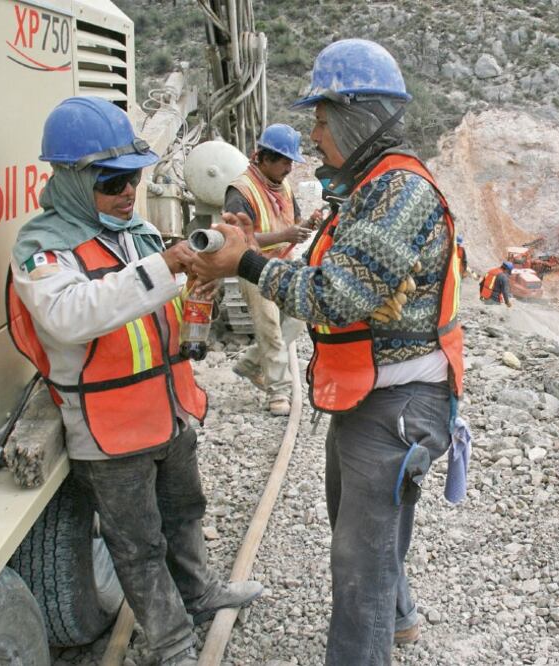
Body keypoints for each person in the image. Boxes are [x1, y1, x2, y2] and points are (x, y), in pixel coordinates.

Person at [188, 39, 464, 666]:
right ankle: (400, 619)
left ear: (358, 117)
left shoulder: (400, 194)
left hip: (396, 402)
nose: (313, 136)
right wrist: (258, 250)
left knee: (359, 561)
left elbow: (335, 295)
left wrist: (247, 262)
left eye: (320, 120)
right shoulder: (369, 189)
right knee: (366, 529)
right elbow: (328, 272)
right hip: (374, 393)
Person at [6, 96, 263, 666]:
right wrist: (165, 266)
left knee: (185, 513)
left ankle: (198, 595)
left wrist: (201, 284)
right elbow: (69, 316)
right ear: (72, 179)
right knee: (138, 544)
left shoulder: (135, 229)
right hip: (110, 427)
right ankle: (171, 643)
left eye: (135, 178)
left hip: (167, 409)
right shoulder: (43, 247)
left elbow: (159, 306)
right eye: (112, 182)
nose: (128, 191)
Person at [225, 124, 313, 416]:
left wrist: (305, 227)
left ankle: (250, 363)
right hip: (254, 267)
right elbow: (237, 238)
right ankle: (278, 391)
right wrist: (284, 235)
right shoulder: (241, 190)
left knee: (297, 319)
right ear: (264, 158)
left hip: (283, 262)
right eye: (285, 161)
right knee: (270, 328)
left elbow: (291, 221)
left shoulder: (281, 185)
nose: (289, 168)